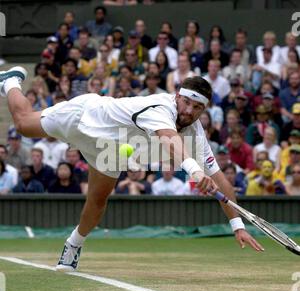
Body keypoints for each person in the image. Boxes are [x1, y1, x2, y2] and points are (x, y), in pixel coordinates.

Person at [0, 67, 264, 270]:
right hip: (83, 118)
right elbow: (169, 139)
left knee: (98, 200)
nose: (189, 111)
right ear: (177, 97)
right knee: (23, 124)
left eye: (197, 108)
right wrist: (195, 171)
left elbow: (220, 179)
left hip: (110, 150)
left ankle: (73, 246)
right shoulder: (161, 108)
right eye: (187, 103)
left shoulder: (196, 132)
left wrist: (237, 224)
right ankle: (11, 81)